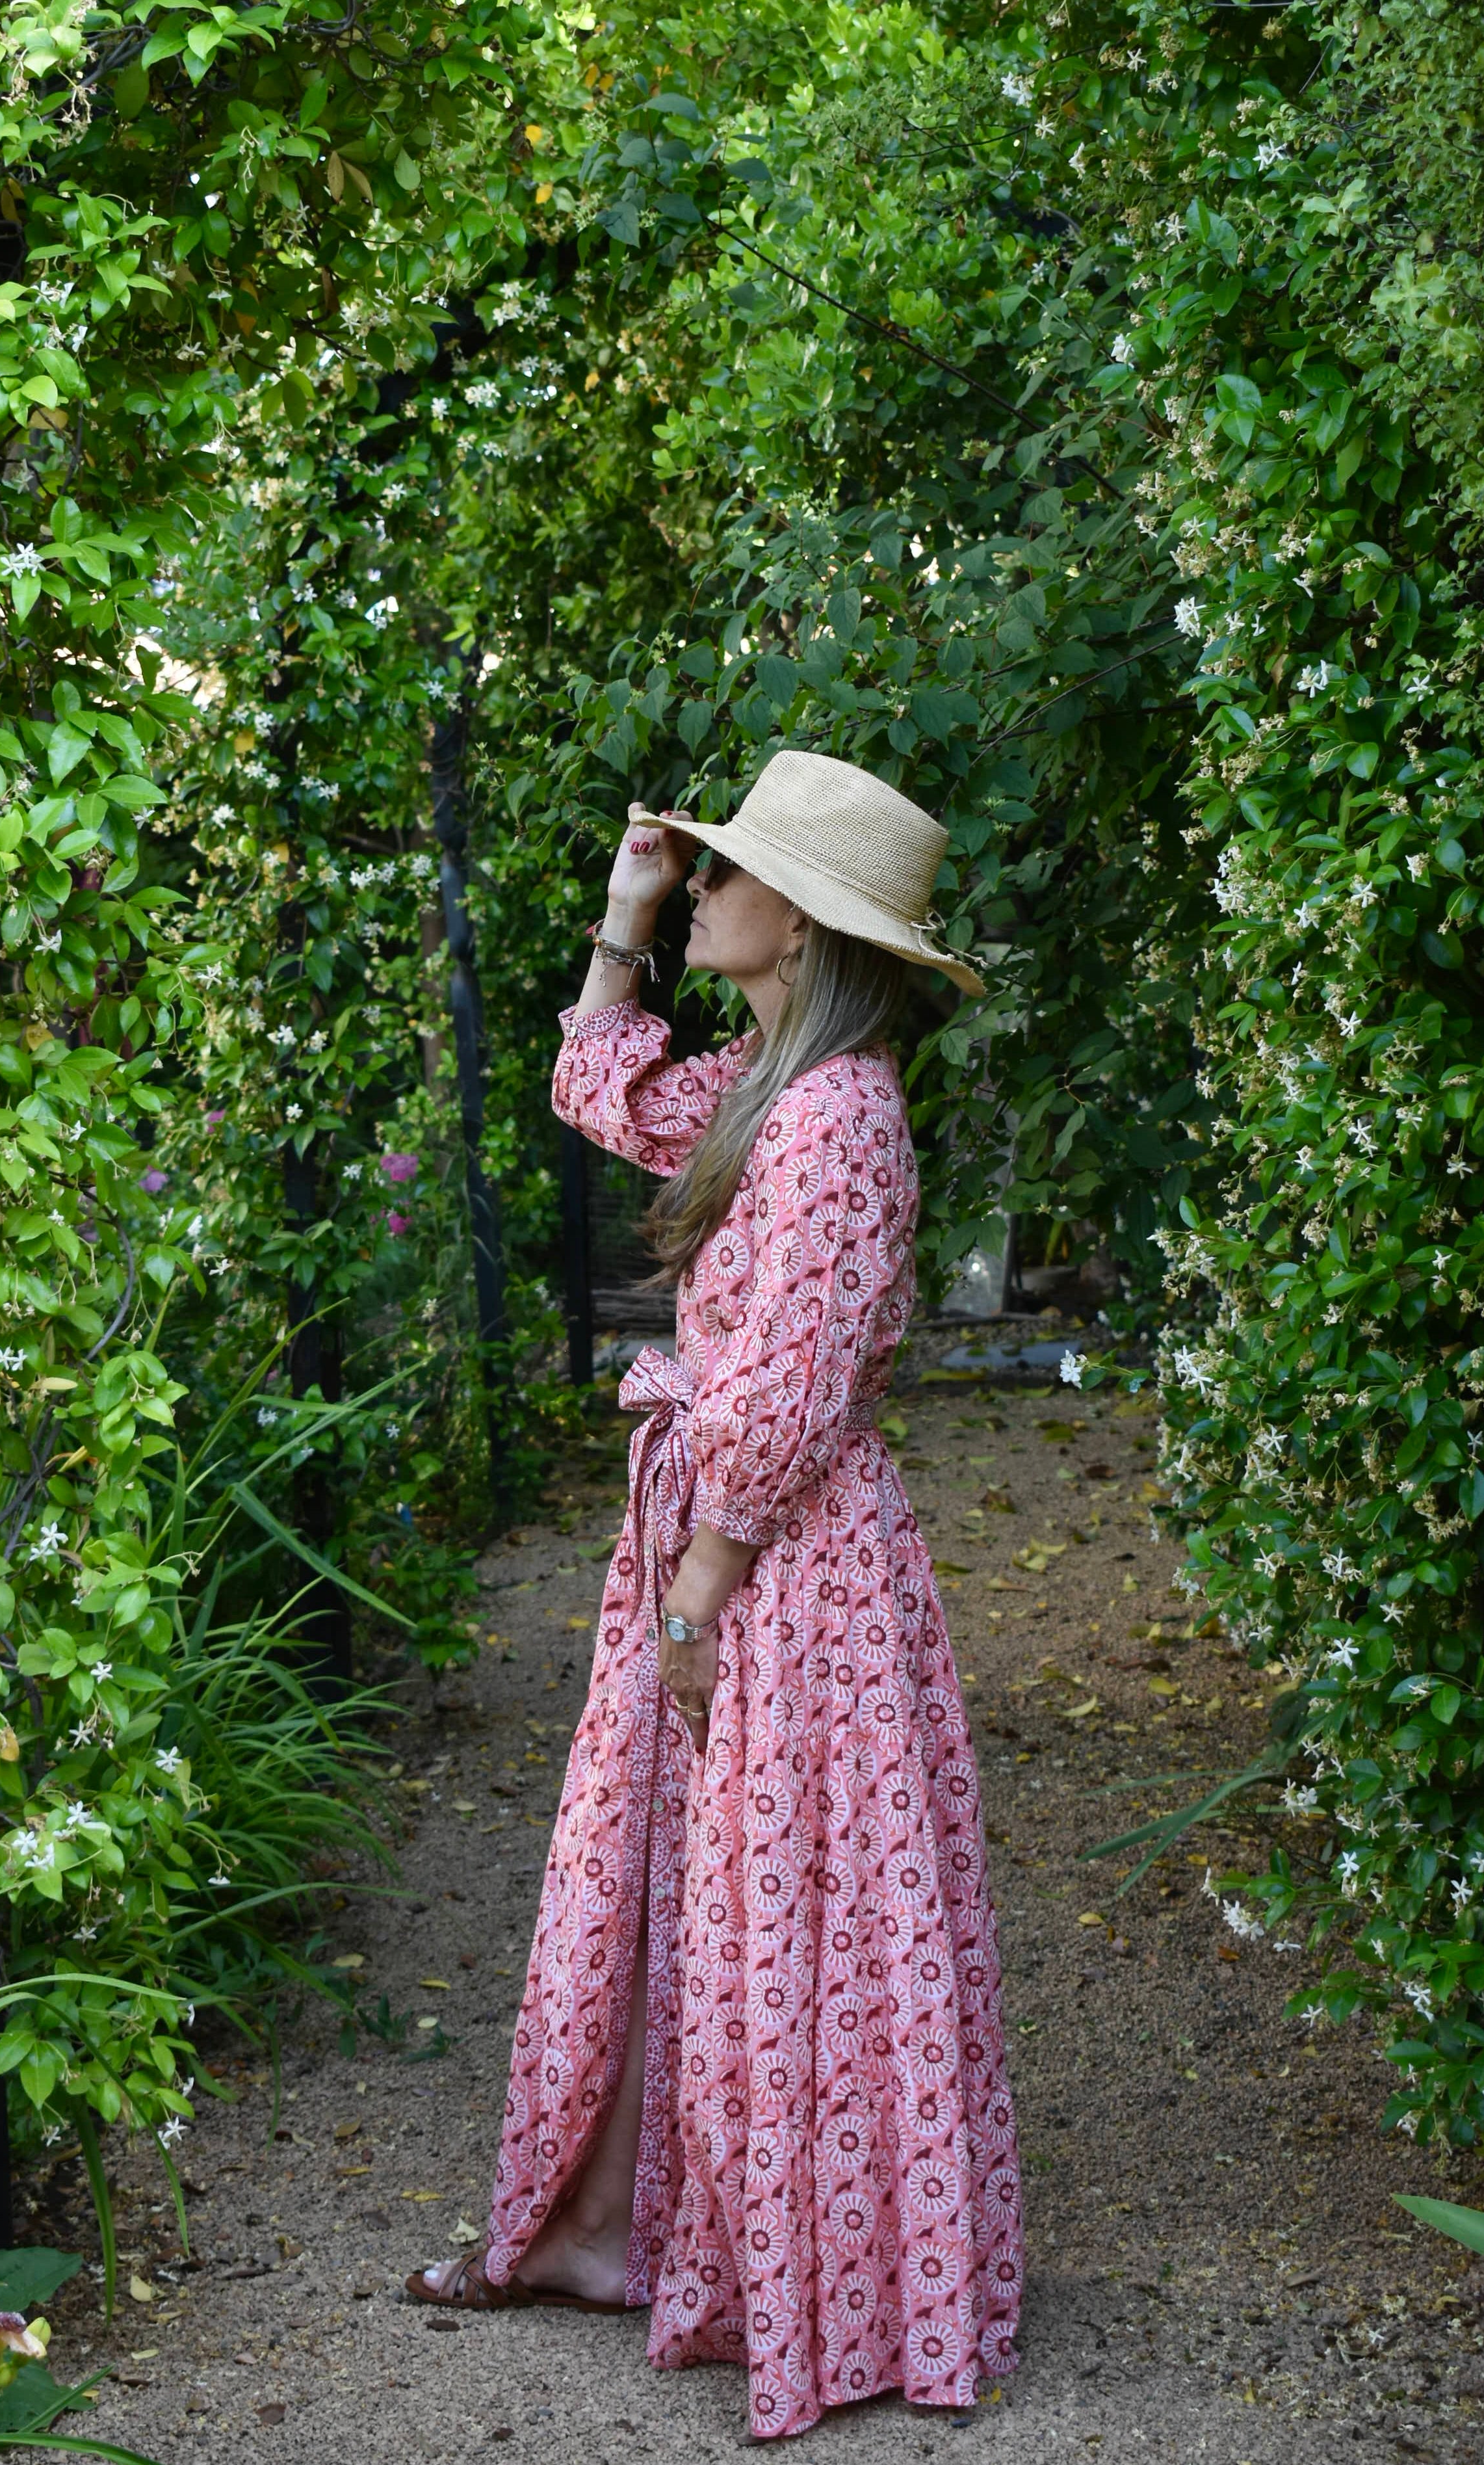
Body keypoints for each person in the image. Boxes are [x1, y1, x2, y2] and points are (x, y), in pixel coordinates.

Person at [407, 750, 1022, 2441]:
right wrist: (623, 906)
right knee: (705, 1898)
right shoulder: (766, 1087)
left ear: (804, 924)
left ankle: (835, 2286)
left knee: (794, 1913)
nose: (702, 892)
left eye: (723, 877)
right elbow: (595, 1084)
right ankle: (657, 2236)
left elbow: (793, 1395)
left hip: (785, 1575)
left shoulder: (838, 1116)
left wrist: (696, 1593)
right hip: (734, 1554)